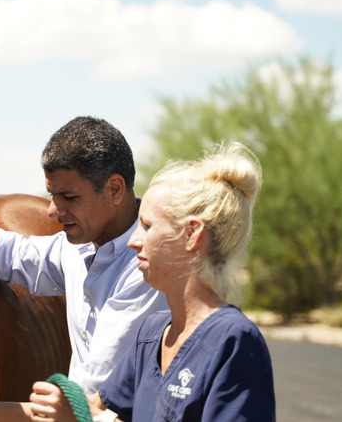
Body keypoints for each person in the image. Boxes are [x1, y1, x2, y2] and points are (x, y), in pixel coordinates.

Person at [0, 116, 167, 422]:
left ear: (115, 189)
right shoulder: (80, 246)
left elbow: (87, 405)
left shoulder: (145, 269)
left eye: (69, 197)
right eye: (52, 195)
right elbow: (10, 255)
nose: (53, 209)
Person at [28, 141, 275, 422]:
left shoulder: (233, 341)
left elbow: (89, 417)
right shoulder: (152, 333)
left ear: (192, 234)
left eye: (146, 226)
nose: (133, 241)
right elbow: (93, 410)